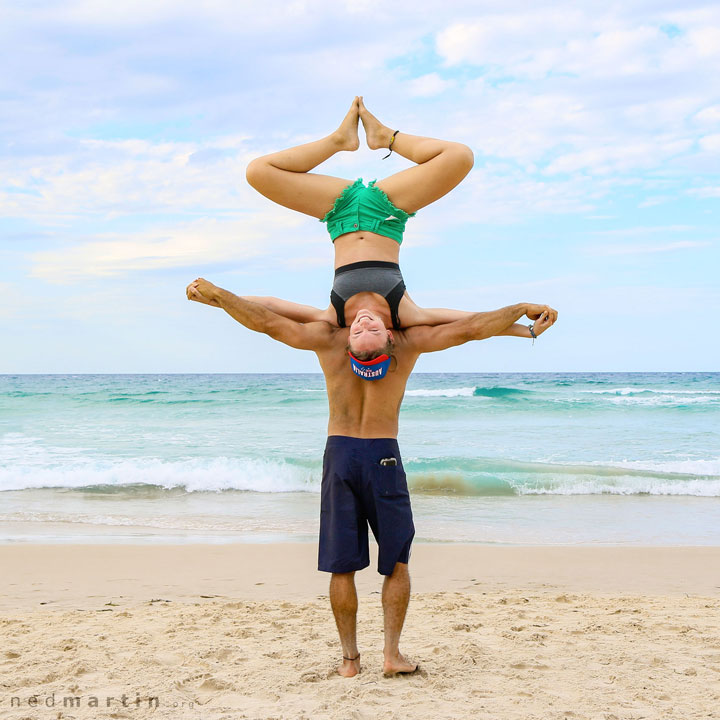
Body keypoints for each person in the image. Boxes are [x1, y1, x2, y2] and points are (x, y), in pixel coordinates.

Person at [186, 275, 557, 677]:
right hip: (383, 456)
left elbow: (269, 320)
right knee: (395, 563)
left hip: (340, 455)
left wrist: (220, 296)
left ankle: (351, 662)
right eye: (363, 325)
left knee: (342, 566)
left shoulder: (328, 341)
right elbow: (469, 329)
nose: (364, 321)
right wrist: (521, 313)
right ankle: (390, 655)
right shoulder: (408, 343)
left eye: (368, 325)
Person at [242, 97, 539, 364]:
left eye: (358, 331)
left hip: (337, 212)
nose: (364, 322)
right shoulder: (406, 315)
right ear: (389, 335)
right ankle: (387, 138)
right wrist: (522, 329)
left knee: (257, 172)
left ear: (348, 338)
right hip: (386, 211)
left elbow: (268, 307)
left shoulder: (334, 316)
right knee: (460, 156)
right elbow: (469, 324)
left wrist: (214, 297)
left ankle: (338, 141)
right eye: (374, 329)